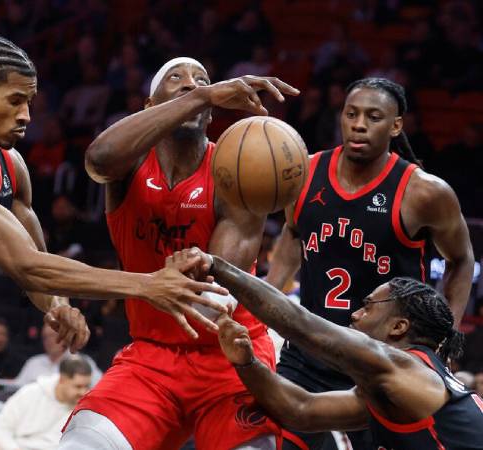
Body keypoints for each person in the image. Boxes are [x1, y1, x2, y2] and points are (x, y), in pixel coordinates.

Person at [0, 36, 227, 449]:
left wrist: (58, 306)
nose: (26, 115)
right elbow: (26, 265)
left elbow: (38, 266)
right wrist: (147, 284)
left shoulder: (12, 166)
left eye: (29, 101)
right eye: (14, 101)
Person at [60, 57, 300, 450]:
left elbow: (210, 305)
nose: (190, 85)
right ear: (151, 108)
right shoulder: (129, 163)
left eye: (201, 80)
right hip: (151, 356)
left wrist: (183, 280)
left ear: (209, 116)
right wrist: (204, 94)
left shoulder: (236, 171)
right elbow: (98, 159)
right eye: (177, 79)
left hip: (230, 353)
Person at [266, 77, 474, 448]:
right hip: (308, 352)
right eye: (351, 114)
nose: (359, 124)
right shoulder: (305, 173)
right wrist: (267, 295)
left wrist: (443, 340)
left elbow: (461, 260)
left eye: (373, 117)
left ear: (396, 126)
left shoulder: (425, 192)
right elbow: (292, 235)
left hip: (380, 361)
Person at [171, 248, 483, 449]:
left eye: (369, 306)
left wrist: (217, 265)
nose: (355, 314)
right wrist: (247, 363)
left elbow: (301, 325)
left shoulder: (403, 368)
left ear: (398, 327)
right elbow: (300, 410)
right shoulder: (399, 387)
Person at [0, 355, 92, 450]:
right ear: (62, 380)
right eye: (78, 386)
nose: (83, 392)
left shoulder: (86, 409)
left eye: (87, 386)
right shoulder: (30, 393)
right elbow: (0, 429)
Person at [16, 323, 102, 386]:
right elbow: (16, 387)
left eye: (52, 336)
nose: (48, 341)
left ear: (65, 338)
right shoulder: (34, 362)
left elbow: (100, 387)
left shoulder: (82, 361)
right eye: (45, 337)